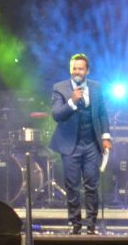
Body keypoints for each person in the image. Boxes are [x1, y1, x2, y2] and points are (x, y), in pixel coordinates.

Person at [47, 52, 111, 234]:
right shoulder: (60, 88)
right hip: (69, 145)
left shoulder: (96, 87)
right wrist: (72, 101)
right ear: (70, 70)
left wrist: (106, 137)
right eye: (74, 68)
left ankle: (91, 224)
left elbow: (102, 113)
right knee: (72, 185)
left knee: (92, 184)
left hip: (91, 143)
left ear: (87, 70)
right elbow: (57, 114)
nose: (77, 71)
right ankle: (75, 223)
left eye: (80, 68)